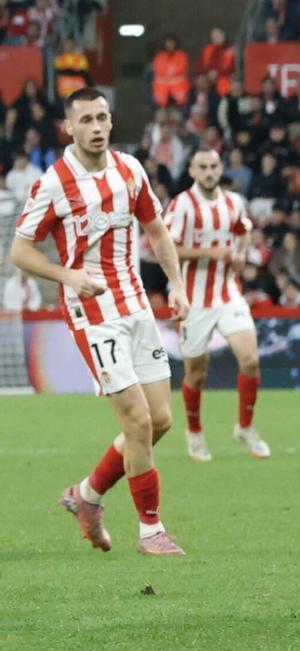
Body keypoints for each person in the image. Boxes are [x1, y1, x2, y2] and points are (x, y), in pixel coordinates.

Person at [9, 88, 191, 555]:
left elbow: (156, 228)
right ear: (68, 128)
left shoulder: (130, 169)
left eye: (102, 118)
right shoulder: (54, 183)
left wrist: (176, 284)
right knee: (136, 419)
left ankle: (86, 495)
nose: (95, 127)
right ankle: (151, 530)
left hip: (134, 303)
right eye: (85, 119)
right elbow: (21, 251)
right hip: (92, 314)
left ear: (111, 122)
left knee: (161, 420)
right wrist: (66, 273)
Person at [166, 149, 270, 462]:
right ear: (193, 172)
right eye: (203, 167)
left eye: (214, 166)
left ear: (220, 168)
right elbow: (167, 247)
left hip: (228, 294)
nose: (209, 172)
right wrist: (207, 253)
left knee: (250, 360)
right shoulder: (182, 205)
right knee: (196, 374)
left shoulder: (233, 203)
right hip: (193, 300)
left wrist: (239, 255)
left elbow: (243, 231)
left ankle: (245, 427)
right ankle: (195, 433)